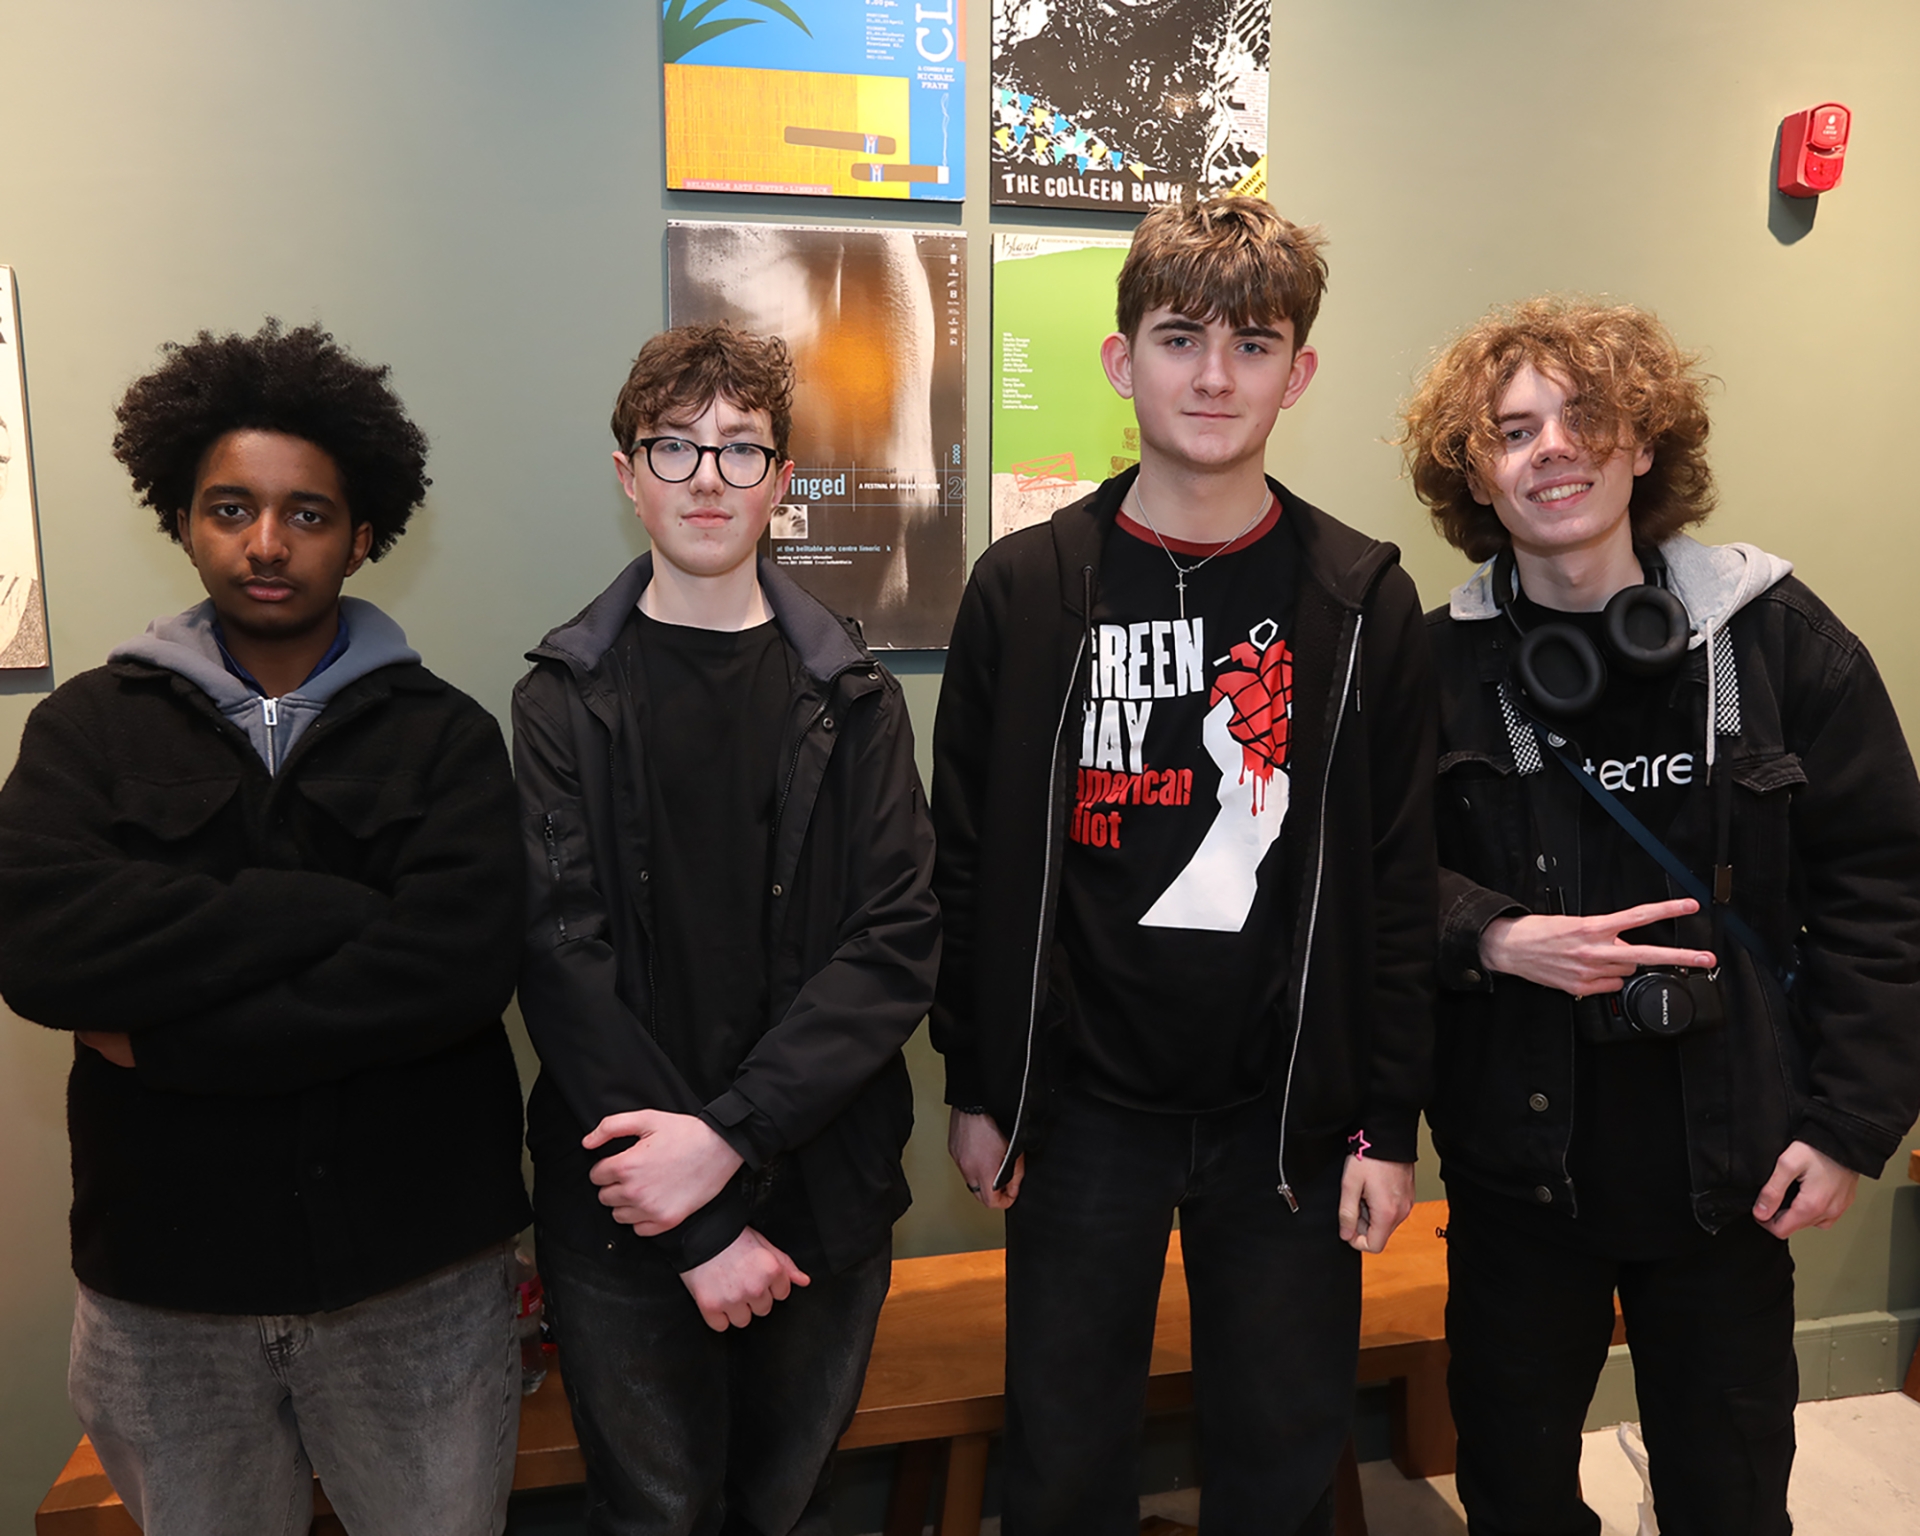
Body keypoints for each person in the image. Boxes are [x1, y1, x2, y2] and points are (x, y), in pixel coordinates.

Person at [930, 196, 1438, 1534]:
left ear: (1297, 374)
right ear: (1121, 361)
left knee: (1280, 1455)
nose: (1214, 375)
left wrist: (1388, 1123)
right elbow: (966, 865)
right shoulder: (1027, 589)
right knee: (1063, 1456)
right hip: (1078, 1108)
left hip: (1288, 1114)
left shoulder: (1359, 599)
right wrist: (979, 1079)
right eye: (1179, 338)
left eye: (1252, 345)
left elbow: (1395, 883)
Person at [0, 321, 533, 1536]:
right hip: (164, 1303)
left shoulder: (446, 738)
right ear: (184, 519)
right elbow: (41, 947)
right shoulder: (88, 730)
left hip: (416, 1290)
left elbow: (450, 974)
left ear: (363, 533)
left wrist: (165, 1041)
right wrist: (328, 909)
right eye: (231, 508)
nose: (267, 543)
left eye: (307, 514)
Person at [1402, 296, 1920, 1535]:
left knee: (1729, 1500)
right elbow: (1368, 881)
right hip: (1519, 1176)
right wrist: (1492, 933)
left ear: (1644, 443)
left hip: (1734, 1174)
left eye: (1586, 417)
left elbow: (1885, 893)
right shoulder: (1431, 670)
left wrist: (1849, 1125)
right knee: (1517, 1499)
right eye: (1514, 430)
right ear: (1475, 472)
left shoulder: (1781, 643)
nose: (1553, 449)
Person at [512, 323, 939, 1536]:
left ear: (782, 481)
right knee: (655, 1515)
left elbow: (895, 941)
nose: (708, 477)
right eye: (675, 446)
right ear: (627, 474)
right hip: (627, 1202)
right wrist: (697, 1217)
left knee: (785, 1509)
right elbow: (561, 958)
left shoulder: (855, 697)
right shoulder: (559, 698)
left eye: (741, 448)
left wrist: (733, 1135)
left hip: (819, 1194)